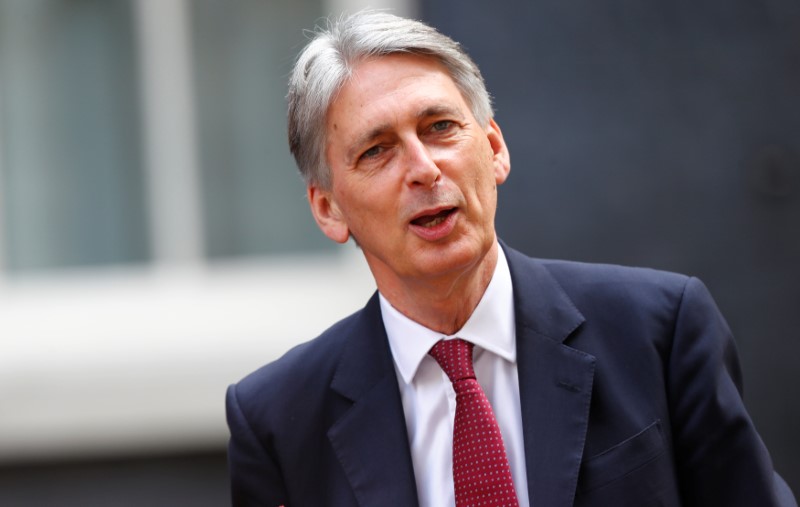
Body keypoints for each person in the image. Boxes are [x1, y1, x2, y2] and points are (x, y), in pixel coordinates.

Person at [226, 11, 796, 507]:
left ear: (494, 148)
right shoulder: (279, 420)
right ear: (329, 210)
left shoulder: (659, 333)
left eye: (440, 127)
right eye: (377, 150)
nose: (424, 168)